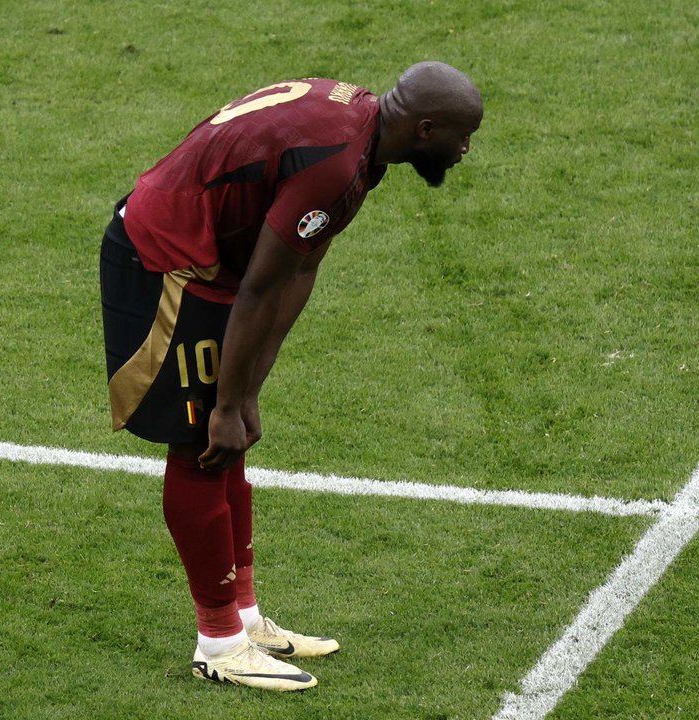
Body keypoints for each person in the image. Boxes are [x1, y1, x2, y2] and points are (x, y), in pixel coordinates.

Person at [99, 61, 483, 691]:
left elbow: (298, 271)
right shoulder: (337, 164)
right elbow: (260, 288)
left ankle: (245, 619)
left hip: (212, 260)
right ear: (425, 128)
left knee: (228, 442)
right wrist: (225, 402)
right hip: (165, 259)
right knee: (200, 442)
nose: (466, 150)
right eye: (461, 136)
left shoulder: (363, 138)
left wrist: (245, 391)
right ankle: (218, 642)